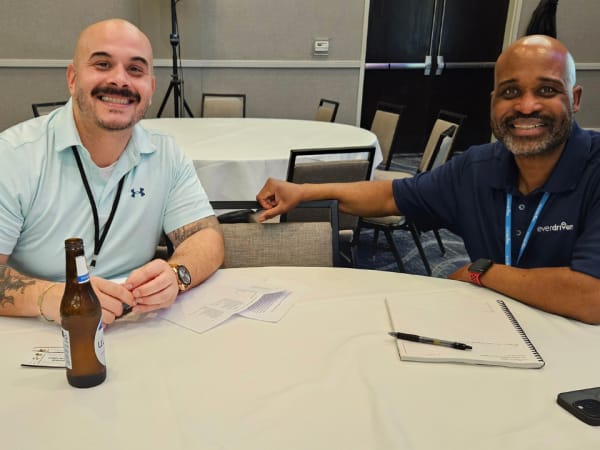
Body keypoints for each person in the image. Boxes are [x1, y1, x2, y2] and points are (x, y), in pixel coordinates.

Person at [256, 35, 600, 325]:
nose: (526, 106)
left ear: (575, 98)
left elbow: (592, 298)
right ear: (493, 102)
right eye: (510, 93)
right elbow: (390, 197)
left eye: (546, 90)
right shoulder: (477, 168)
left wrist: (480, 272)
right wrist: (303, 191)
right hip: (497, 327)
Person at [0, 19, 224, 325]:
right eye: (103, 64)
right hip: (31, 325)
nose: (120, 80)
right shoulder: (13, 155)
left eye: (135, 69)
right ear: (72, 78)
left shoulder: (165, 154)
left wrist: (177, 275)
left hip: (134, 324)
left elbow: (206, 235)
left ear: (150, 87)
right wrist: (55, 297)